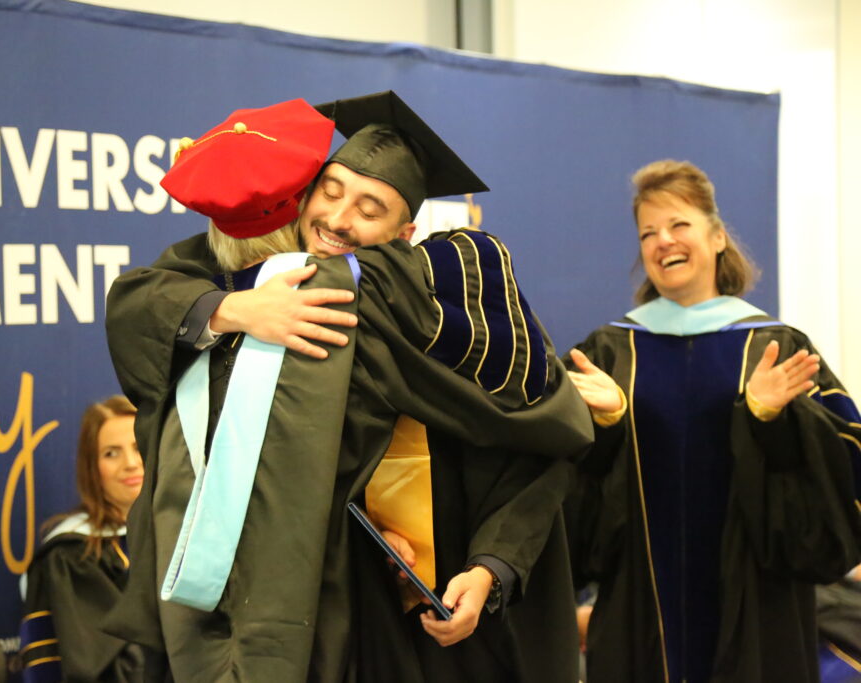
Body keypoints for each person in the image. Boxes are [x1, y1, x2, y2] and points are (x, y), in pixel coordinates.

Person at [102, 95, 593, 682]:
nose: (338, 219)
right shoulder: (248, 275)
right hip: (282, 599)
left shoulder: (437, 309)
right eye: (330, 191)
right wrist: (235, 310)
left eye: (370, 208)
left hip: (408, 614)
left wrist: (490, 568)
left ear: (405, 231)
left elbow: (538, 449)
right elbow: (140, 303)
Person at [565, 159, 861, 683]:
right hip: (640, 606)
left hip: (758, 604)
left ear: (718, 237)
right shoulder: (610, 352)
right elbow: (572, 498)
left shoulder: (774, 347)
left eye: (680, 225)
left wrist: (774, 422)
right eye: (648, 233)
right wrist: (604, 428)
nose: (664, 242)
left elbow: (840, 472)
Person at [20, 395, 145, 682]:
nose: (131, 463)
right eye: (111, 453)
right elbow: (95, 666)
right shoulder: (73, 555)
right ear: (92, 467)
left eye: (140, 447)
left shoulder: (184, 539)